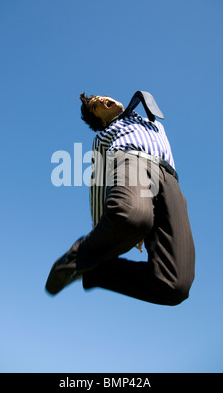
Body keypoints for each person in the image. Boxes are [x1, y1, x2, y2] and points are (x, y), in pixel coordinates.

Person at [45, 91, 195, 306]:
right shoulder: (104, 136)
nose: (103, 99)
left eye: (101, 96)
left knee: (175, 285)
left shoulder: (152, 122)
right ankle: (76, 258)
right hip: (131, 161)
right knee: (132, 216)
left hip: (170, 179)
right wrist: (108, 227)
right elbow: (98, 182)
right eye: (96, 105)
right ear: (101, 120)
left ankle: (95, 272)